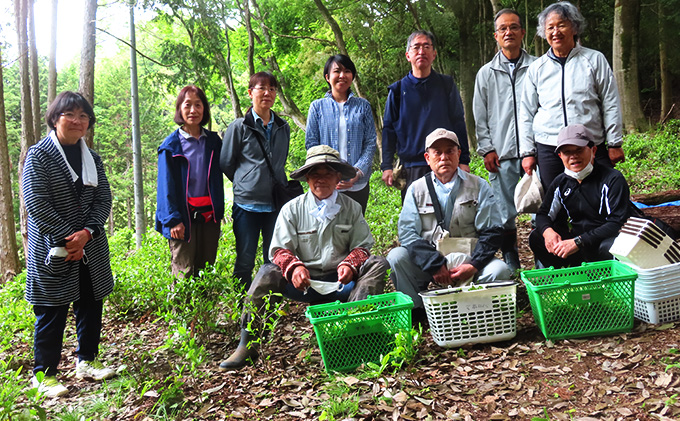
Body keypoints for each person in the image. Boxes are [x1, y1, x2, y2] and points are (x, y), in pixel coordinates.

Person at [219, 145, 388, 370]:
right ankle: (247, 343)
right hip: (302, 283)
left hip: (341, 282)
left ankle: (357, 332)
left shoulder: (352, 208)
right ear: (307, 178)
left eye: (327, 173)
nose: (321, 180)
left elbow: (363, 246)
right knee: (267, 271)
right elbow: (278, 250)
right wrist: (294, 267)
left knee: (378, 263)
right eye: (315, 174)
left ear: (338, 177)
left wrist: (350, 263)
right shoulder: (291, 209)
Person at [22, 91, 116, 398]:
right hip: (52, 245)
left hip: (90, 243)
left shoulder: (93, 158)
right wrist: (69, 237)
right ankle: (43, 374)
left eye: (83, 116)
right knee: (52, 307)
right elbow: (36, 203)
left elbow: (103, 199)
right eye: (70, 115)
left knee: (91, 300)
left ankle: (86, 360)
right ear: (54, 118)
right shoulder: (38, 156)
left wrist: (87, 233)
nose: (77, 121)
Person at [387, 128, 511, 322]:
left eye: (449, 151)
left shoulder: (479, 186)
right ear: (428, 158)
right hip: (429, 264)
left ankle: (475, 310)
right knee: (396, 257)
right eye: (437, 152)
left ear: (458, 154)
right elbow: (408, 234)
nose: (444, 157)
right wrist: (435, 265)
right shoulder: (416, 190)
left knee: (500, 271)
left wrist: (473, 265)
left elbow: (492, 232)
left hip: (469, 260)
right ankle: (418, 313)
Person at [519, 1, 625, 193]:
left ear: (574, 27)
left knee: (600, 195)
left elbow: (610, 102)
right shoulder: (537, 68)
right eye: (550, 27)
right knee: (556, 201)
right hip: (550, 147)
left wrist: (615, 143)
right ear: (544, 32)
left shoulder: (594, 59)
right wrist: (528, 153)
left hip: (590, 143)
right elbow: (526, 112)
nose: (555, 31)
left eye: (561, 25)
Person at [473, 9, 537, 272]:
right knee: (504, 216)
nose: (508, 32)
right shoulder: (486, 73)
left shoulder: (537, 66)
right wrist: (487, 148)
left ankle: (544, 265)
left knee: (540, 212)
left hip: (535, 154)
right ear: (496, 36)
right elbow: (480, 114)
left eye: (514, 27)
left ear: (523, 32)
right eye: (503, 29)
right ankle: (512, 266)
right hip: (501, 156)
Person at [221, 72, 291, 290]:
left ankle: (267, 305)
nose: (267, 93)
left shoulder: (283, 127)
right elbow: (226, 162)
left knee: (272, 259)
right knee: (245, 259)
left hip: (274, 204)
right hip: (246, 205)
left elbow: (280, 161)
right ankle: (242, 304)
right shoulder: (239, 127)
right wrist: (245, 182)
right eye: (262, 88)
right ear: (250, 93)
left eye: (272, 88)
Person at [381, 30, 471, 201]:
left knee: (451, 217)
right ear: (408, 55)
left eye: (426, 46)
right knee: (416, 219)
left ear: (434, 54)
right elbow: (388, 130)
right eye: (416, 47)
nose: (421, 51)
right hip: (412, 167)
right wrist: (387, 165)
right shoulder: (398, 91)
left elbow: (458, 122)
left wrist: (463, 160)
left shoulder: (446, 85)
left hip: (445, 163)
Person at [529, 124, 631, 268]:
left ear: (593, 150)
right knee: (537, 237)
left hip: (602, 241)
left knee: (610, 246)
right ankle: (564, 277)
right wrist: (548, 232)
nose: (573, 157)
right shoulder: (560, 182)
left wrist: (579, 241)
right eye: (567, 152)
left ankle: (608, 282)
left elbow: (618, 222)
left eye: (579, 150)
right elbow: (543, 214)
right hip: (577, 244)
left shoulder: (612, 179)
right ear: (560, 156)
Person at [156, 85, 224, 279]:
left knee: (206, 270)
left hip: (209, 217)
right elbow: (165, 187)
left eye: (198, 105)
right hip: (182, 218)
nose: (193, 110)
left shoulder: (213, 142)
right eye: (187, 105)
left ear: (204, 109)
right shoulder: (170, 146)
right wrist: (173, 220)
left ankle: (205, 311)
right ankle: (183, 311)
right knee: (183, 273)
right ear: (180, 109)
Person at [305, 54, 377, 214]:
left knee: (354, 231)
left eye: (347, 71)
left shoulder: (363, 106)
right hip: (327, 184)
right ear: (327, 77)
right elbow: (311, 144)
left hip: (357, 185)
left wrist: (356, 172)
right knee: (327, 230)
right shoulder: (317, 107)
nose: (342, 75)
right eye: (337, 71)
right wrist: (330, 173)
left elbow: (371, 142)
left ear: (352, 76)